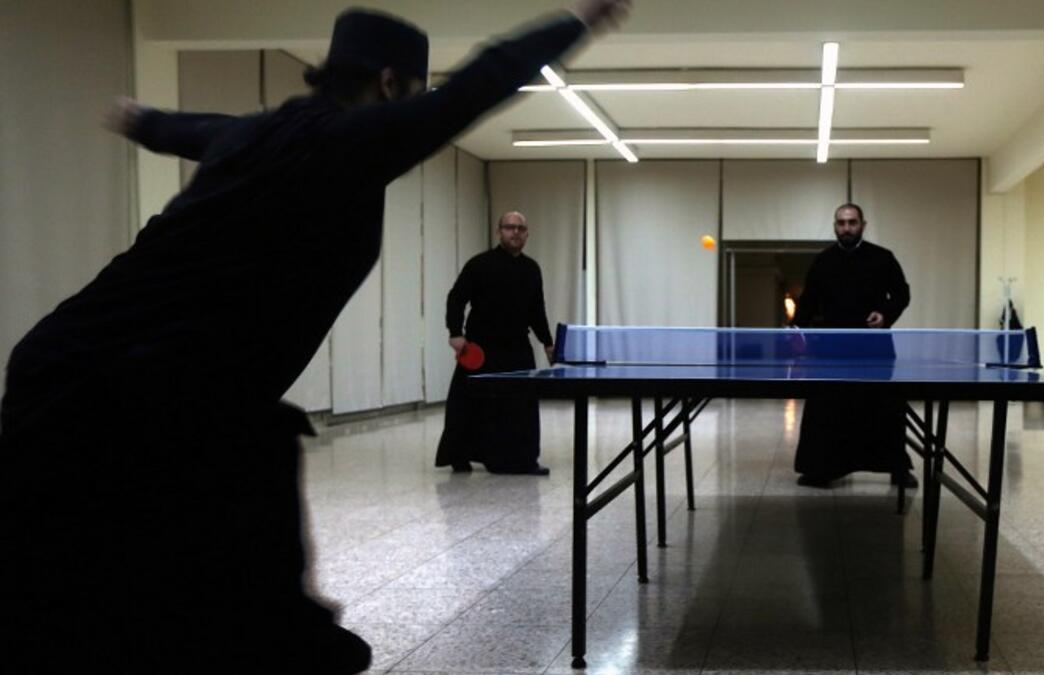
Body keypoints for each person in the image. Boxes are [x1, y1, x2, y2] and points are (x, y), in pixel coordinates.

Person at [0, 2, 631, 673]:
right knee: (206, 561)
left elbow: (185, 129)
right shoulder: (358, 140)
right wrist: (578, 20)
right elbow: (485, 78)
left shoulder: (253, 135)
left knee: (107, 563)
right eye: (412, 92)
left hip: (60, 360)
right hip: (143, 385)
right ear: (390, 85)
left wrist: (138, 119)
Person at [791, 202, 914, 488]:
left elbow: (901, 293)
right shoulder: (823, 261)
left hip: (874, 347)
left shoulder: (883, 258)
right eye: (841, 223)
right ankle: (820, 469)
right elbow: (808, 301)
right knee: (826, 410)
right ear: (835, 226)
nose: (846, 228)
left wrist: (885, 313)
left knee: (886, 409)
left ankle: (897, 468)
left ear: (863, 225)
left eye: (852, 222)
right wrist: (796, 330)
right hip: (830, 349)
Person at [436, 211, 555, 475]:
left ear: (527, 233)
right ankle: (459, 455)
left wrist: (547, 342)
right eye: (510, 227)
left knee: (521, 406)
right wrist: (455, 332)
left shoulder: (531, 269)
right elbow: (456, 298)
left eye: (520, 228)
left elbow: (537, 310)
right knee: (468, 404)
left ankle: (523, 459)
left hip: (516, 348)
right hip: (480, 347)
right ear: (498, 231)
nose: (515, 232)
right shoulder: (479, 264)